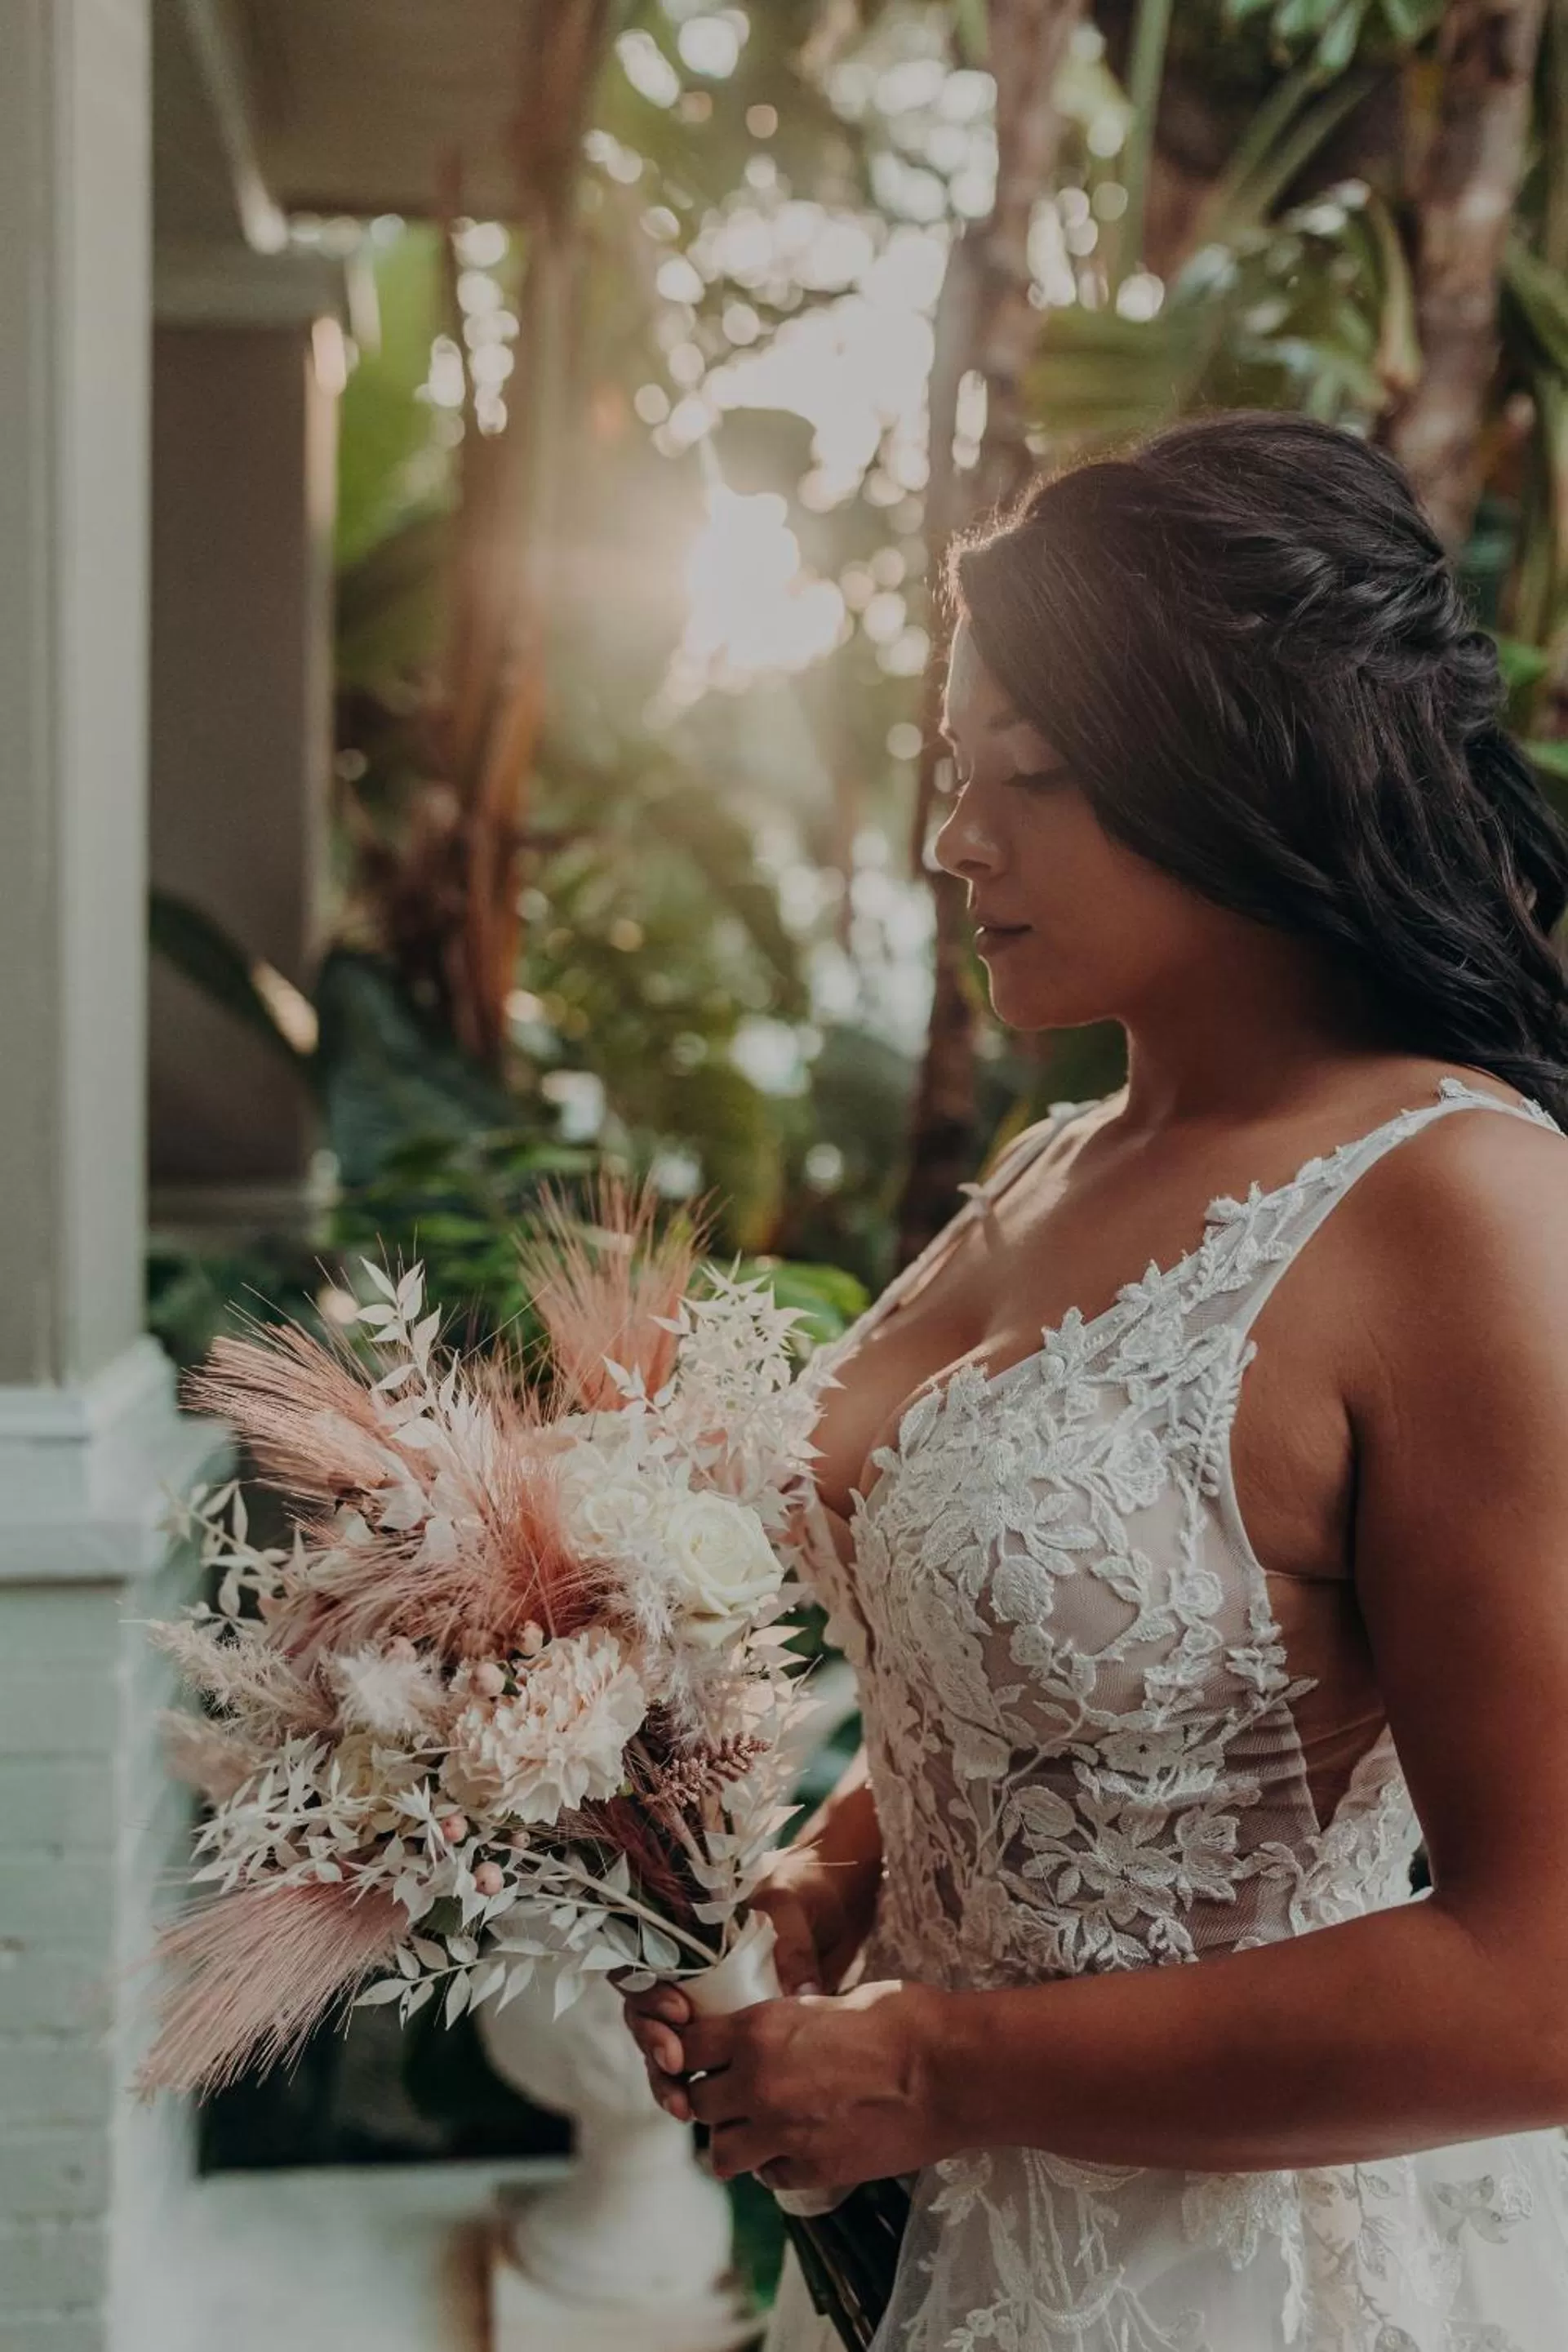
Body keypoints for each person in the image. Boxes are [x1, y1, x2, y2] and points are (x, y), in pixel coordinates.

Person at [624, 410, 1568, 2351]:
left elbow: (1546, 1983)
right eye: (956, 772)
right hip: (943, 2266)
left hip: (1251, 2285)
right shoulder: (1055, 1161)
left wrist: (940, 2071)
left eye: (1027, 777)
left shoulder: (1457, 1210)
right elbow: (1078, 1696)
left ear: (1234, 776)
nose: (954, 837)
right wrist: (830, 1885)